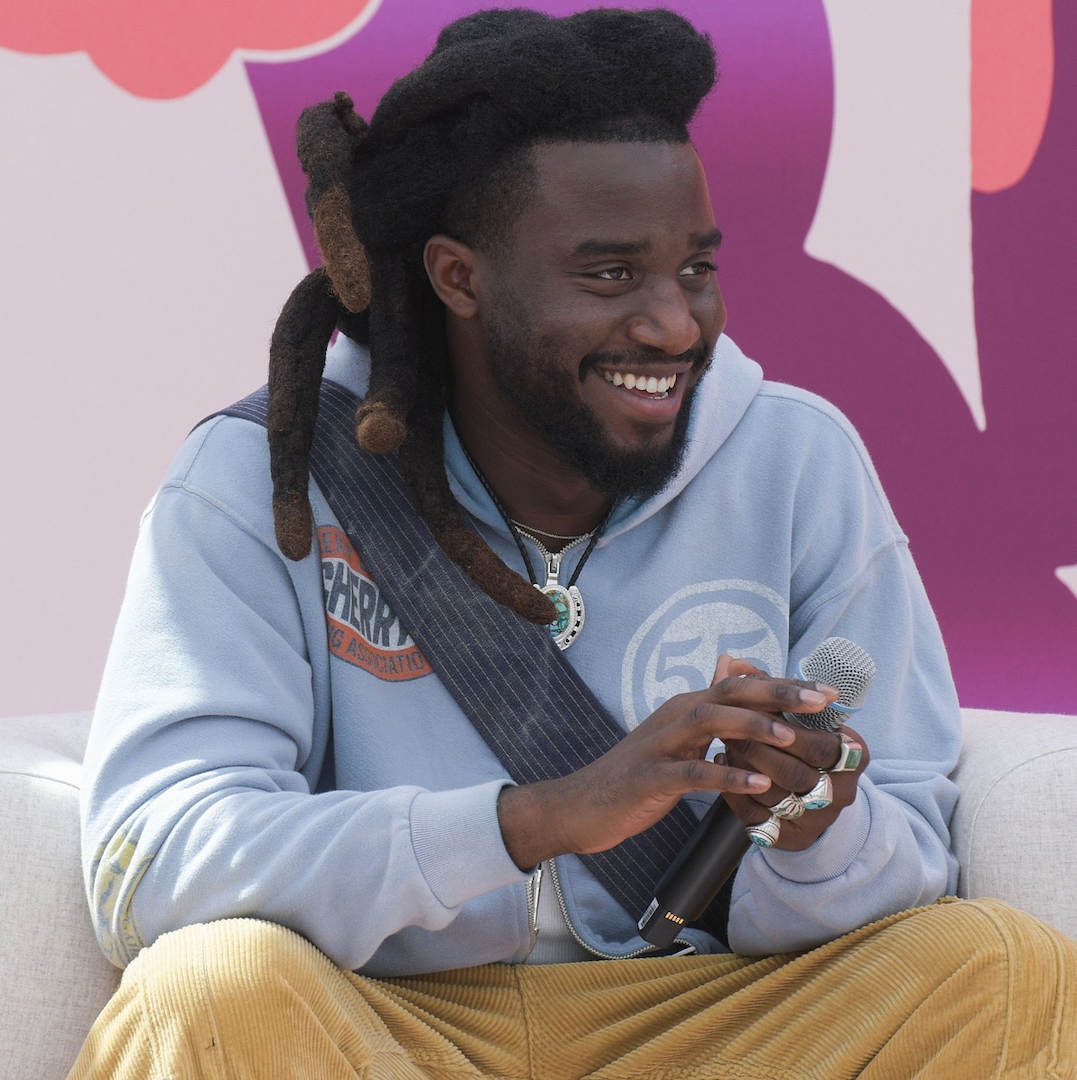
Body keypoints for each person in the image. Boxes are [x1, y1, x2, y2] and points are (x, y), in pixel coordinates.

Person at [69, 8, 1075, 1079]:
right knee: (209, 995)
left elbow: (915, 854)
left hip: (715, 1022)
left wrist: (817, 829)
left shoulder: (797, 459)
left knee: (999, 968)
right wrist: (537, 819)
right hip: (379, 1023)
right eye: (610, 276)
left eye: (695, 269)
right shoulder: (261, 475)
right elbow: (151, 860)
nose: (674, 326)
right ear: (459, 278)